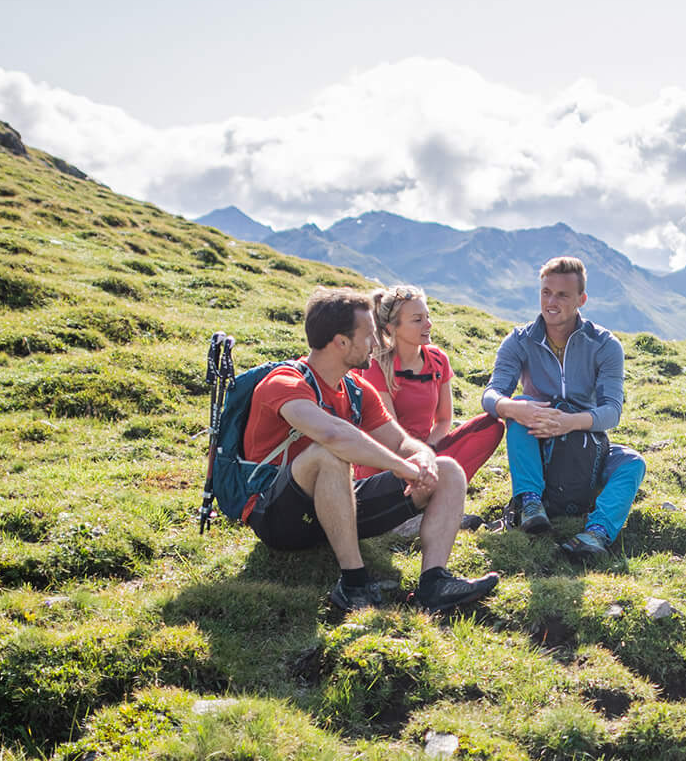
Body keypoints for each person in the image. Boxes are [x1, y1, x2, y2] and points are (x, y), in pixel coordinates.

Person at [244, 288, 499, 613]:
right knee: (329, 455)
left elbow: (401, 441)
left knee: (447, 469)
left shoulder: (356, 389)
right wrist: (404, 468)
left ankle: (434, 582)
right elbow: (332, 434)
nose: (377, 344)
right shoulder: (285, 383)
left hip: (338, 507)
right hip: (278, 518)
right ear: (341, 342)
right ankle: (353, 583)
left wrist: (420, 457)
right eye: (368, 335)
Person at [480, 257, 646, 558]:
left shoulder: (605, 344)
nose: (551, 302)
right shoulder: (519, 340)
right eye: (546, 292)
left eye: (562, 295)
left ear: (581, 300)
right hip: (539, 441)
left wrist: (570, 422)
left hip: (587, 447)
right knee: (518, 406)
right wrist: (511, 408)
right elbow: (491, 395)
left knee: (632, 463)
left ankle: (595, 535)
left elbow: (612, 411)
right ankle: (530, 503)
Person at [355, 283, 501, 537]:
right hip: (387, 460)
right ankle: (412, 508)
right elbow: (386, 433)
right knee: (406, 468)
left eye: (427, 317)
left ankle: (429, 496)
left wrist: (429, 453)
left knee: (491, 426)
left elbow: (444, 420)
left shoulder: (438, 360)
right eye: (417, 320)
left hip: (427, 453)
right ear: (392, 328)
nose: (428, 325)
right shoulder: (376, 366)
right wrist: (416, 463)